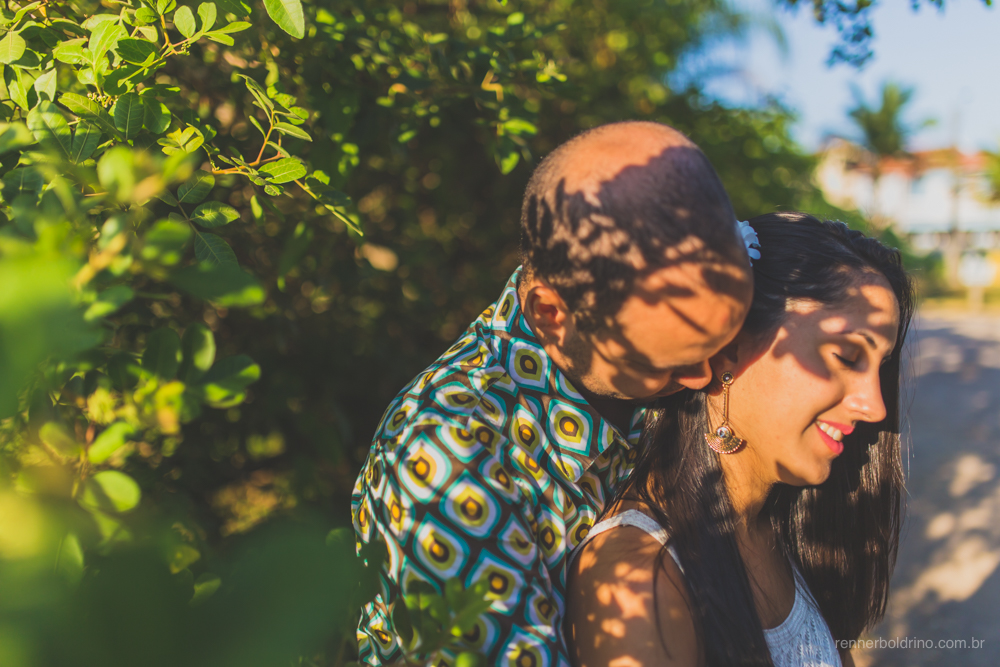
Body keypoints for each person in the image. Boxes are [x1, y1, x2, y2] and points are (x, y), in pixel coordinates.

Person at [351, 121, 756, 666]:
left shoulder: (637, 363)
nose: (706, 379)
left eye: (723, 343)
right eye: (668, 362)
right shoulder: (446, 453)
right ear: (551, 315)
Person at [565, 212, 915, 667]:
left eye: (879, 368)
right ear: (730, 346)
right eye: (847, 356)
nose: (876, 407)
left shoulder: (786, 527)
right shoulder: (637, 582)